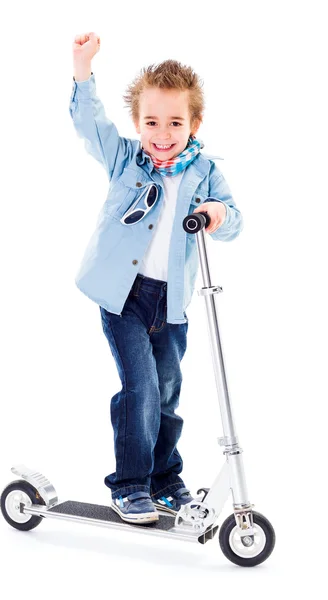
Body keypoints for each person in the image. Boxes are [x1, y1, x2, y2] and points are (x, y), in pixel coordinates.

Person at [69, 32, 244, 525]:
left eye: (174, 122)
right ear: (137, 123)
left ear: (195, 122)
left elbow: (234, 219)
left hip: (173, 303)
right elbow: (88, 122)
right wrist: (82, 68)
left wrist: (215, 213)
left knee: (167, 393)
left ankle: (165, 479)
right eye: (151, 122)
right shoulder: (126, 159)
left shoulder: (204, 170)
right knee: (141, 388)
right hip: (122, 297)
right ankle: (129, 485)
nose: (162, 134)